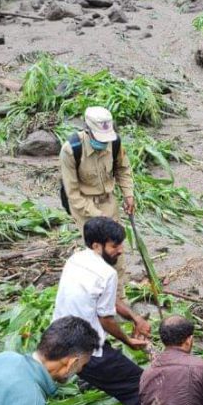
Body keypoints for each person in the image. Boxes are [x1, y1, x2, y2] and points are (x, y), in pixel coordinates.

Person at [53, 217, 151, 405]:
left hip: (59, 336)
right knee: (140, 388)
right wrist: (128, 340)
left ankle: (88, 378)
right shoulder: (108, 273)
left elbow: (105, 299)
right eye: (115, 246)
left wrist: (134, 317)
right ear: (97, 245)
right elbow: (106, 318)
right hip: (86, 350)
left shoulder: (75, 259)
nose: (120, 250)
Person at [59, 106, 135, 297]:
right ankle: (96, 298)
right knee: (98, 255)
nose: (104, 143)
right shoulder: (71, 150)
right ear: (88, 131)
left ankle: (119, 299)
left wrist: (128, 194)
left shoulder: (114, 142)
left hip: (108, 201)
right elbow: (73, 194)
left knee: (116, 253)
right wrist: (99, 216)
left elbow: (122, 169)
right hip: (84, 207)